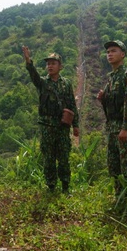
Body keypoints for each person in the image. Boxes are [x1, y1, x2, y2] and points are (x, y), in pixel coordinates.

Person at [22, 46, 80, 193]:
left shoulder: (66, 84)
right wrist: (28, 61)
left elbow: (72, 104)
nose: (50, 66)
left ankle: (66, 186)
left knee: (64, 157)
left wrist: (76, 125)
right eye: (48, 63)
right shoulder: (43, 83)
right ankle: (51, 186)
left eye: (53, 63)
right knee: (48, 158)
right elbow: (33, 75)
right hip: (47, 125)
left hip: (62, 126)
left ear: (60, 66)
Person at [97, 40, 127, 206]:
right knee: (114, 167)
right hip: (112, 128)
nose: (109, 54)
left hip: (123, 130)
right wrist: (103, 99)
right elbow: (112, 105)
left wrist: (126, 128)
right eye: (108, 51)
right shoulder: (111, 78)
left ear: (122, 54)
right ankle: (120, 201)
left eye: (113, 51)